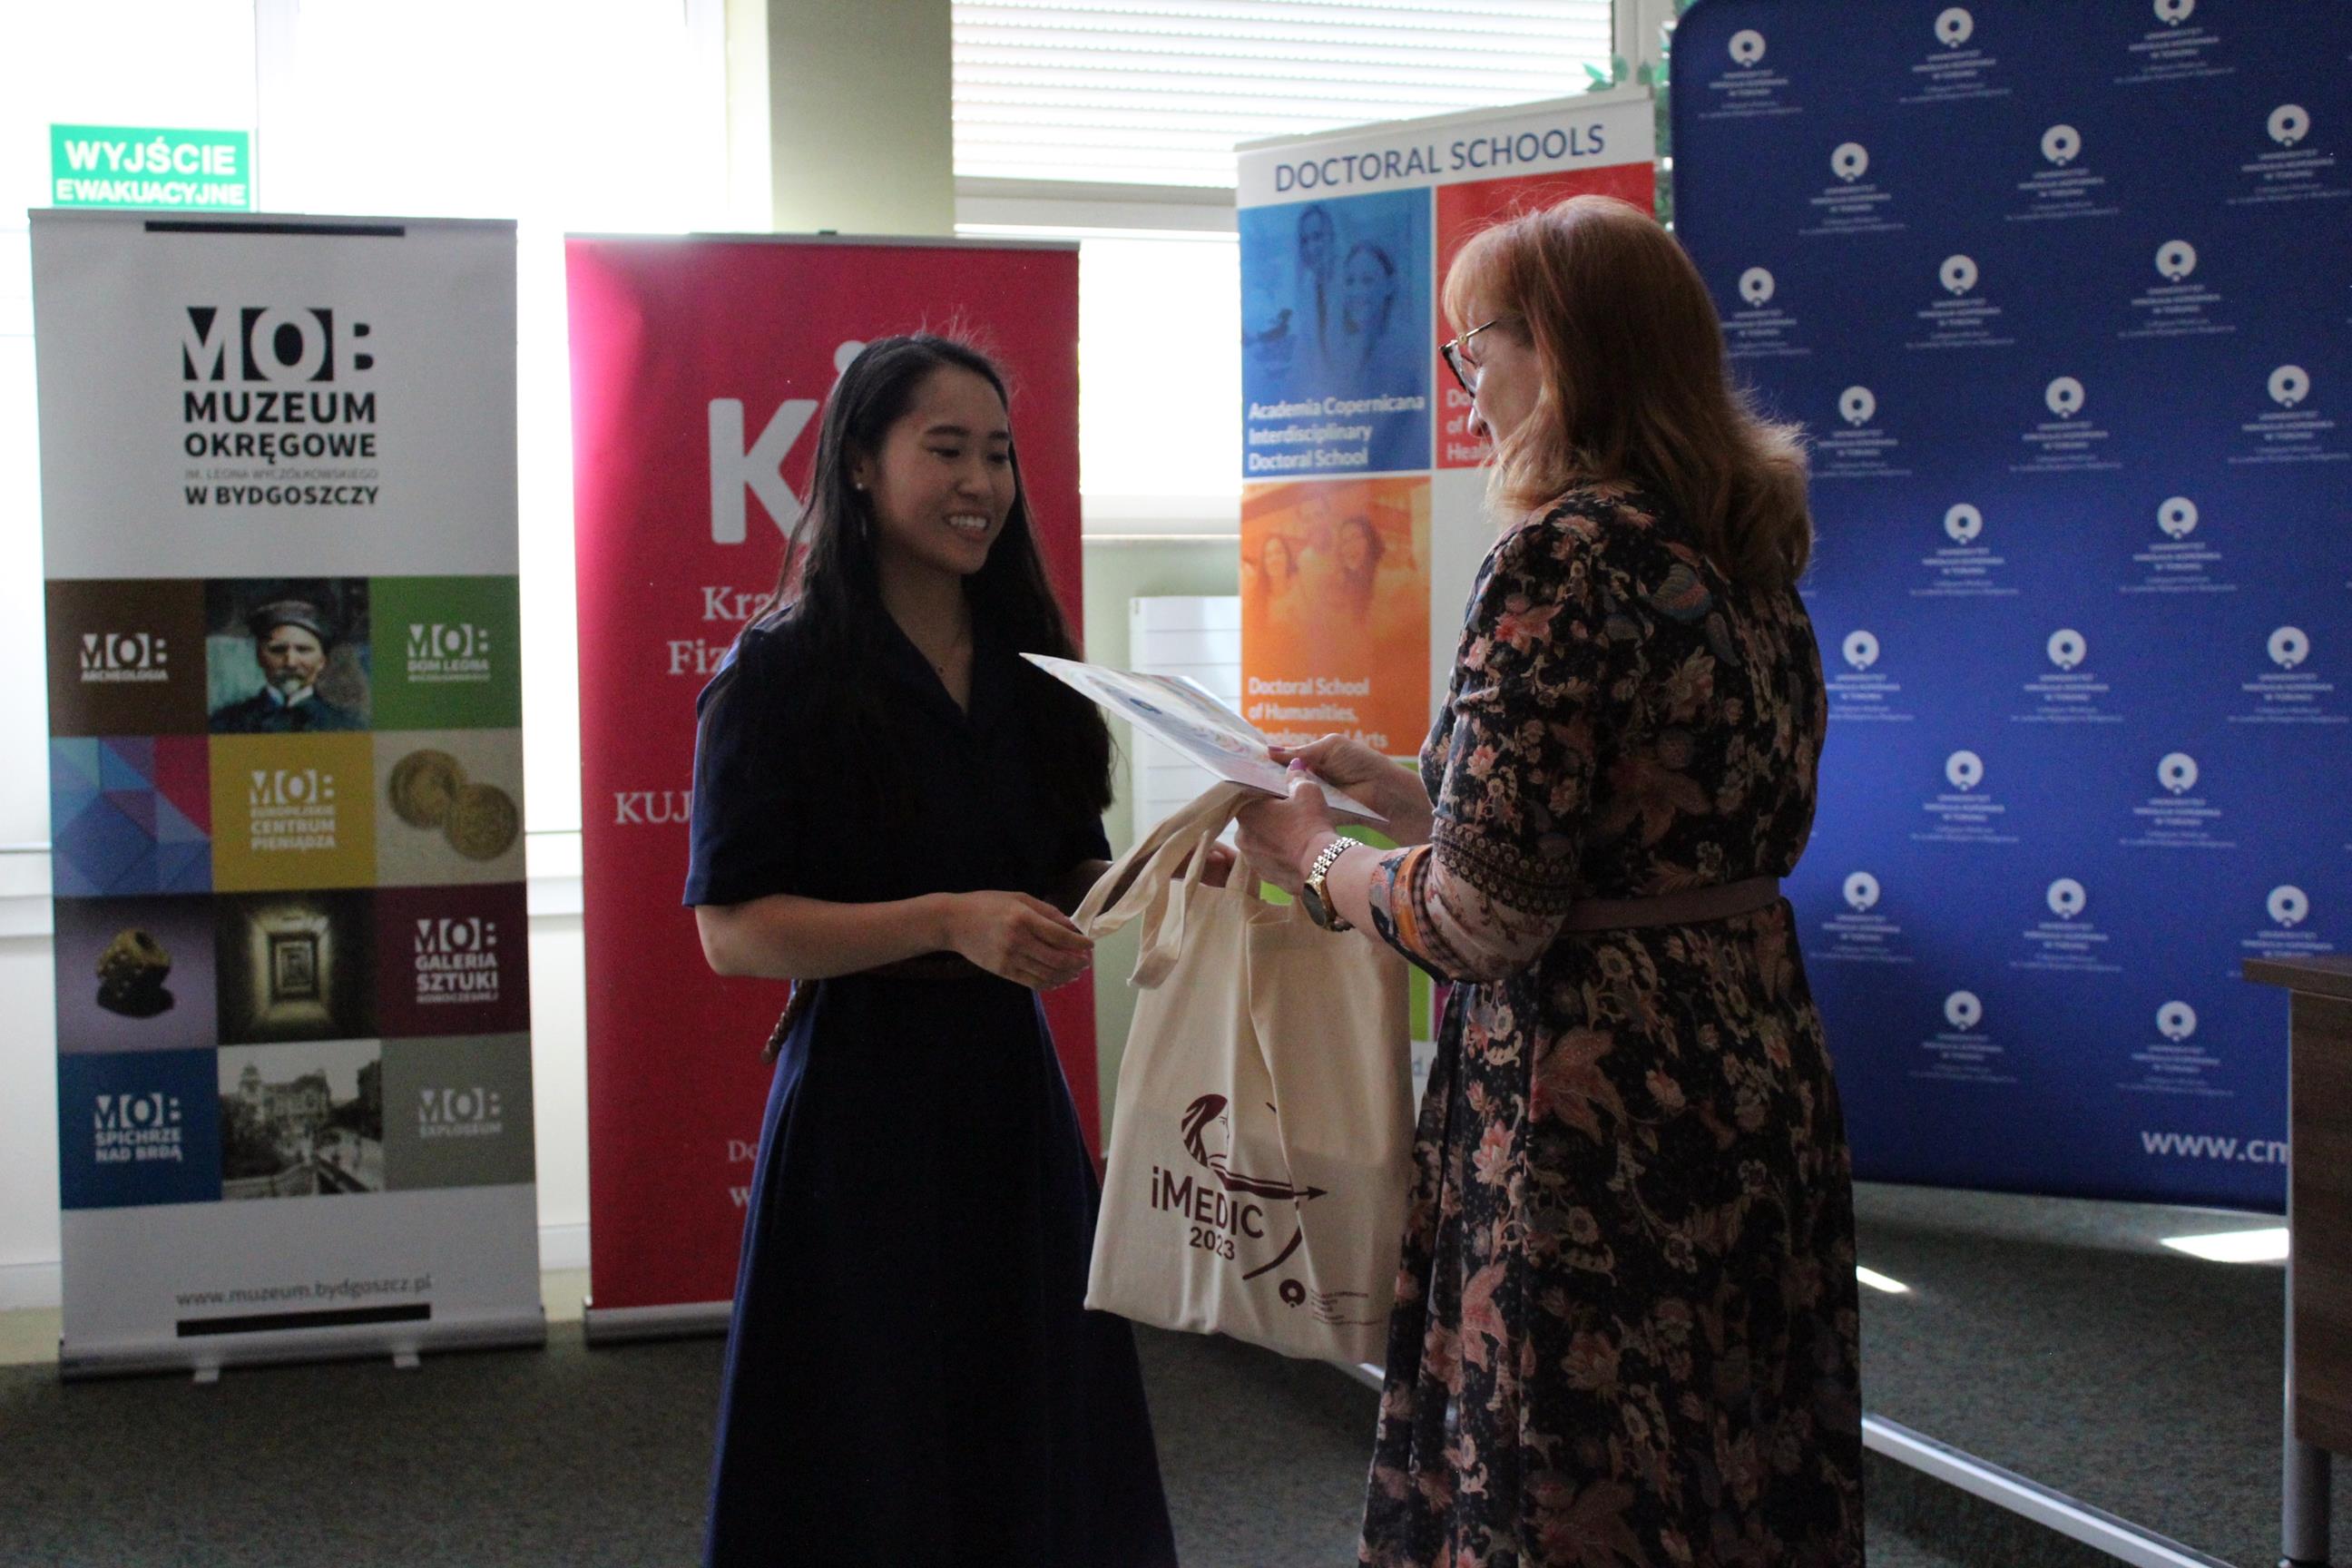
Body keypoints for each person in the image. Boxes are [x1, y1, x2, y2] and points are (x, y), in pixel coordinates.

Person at [1236, 194, 1865, 1566]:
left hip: (1596, 1106)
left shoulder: (1560, 556)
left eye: (1478, 350)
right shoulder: (1744, 549)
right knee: (1733, 1450)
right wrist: (1407, 795)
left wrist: (1314, 856)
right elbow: (1636, 836)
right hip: (1749, 1068)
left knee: (1578, 1470)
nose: (1465, 392)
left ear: (1566, 349)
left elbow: (1485, 917)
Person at [684, 335, 1177, 1568]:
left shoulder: (1034, 666)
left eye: (998, 455)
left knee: (1030, 1422)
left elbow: (1069, 866)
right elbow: (734, 931)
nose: (980, 484)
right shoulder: (780, 673)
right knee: (870, 1435)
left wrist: (1172, 873)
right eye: (946, 450)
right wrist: (949, 919)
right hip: (860, 1106)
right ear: (859, 463)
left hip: (1011, 1102)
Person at [209, 600, 366, 732]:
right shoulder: (223, 724)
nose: (290, 663)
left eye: (303, 650)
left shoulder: (348, 727)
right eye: (278, 650)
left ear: (322, 661)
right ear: (260, 657)